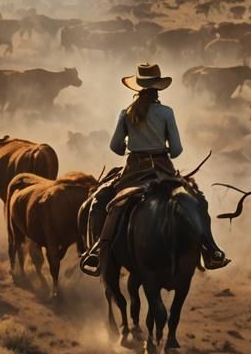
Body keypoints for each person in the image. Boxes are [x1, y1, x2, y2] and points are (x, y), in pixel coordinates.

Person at [79, 63, 229, 275]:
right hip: (163, 170)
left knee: (101, 201)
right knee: (199, 202)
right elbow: (176, 150)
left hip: (133, 170)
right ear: (158, 88)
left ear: (138, 87)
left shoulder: (126, 113)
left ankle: (97, 250)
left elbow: (116, 147)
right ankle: (211, 250)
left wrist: (132, 145)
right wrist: (161, 146)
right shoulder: (166, 113)